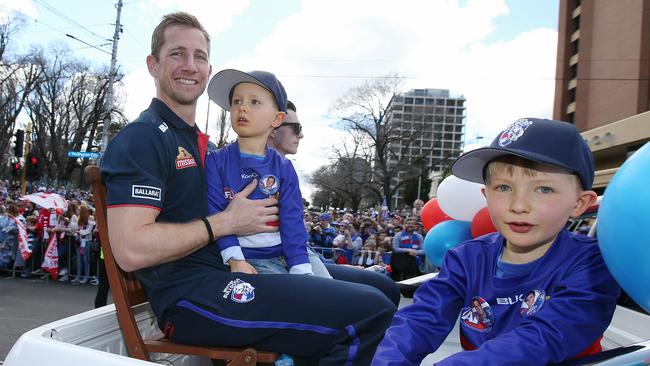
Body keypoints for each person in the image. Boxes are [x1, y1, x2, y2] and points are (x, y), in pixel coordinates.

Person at [100, 12, 395, 365]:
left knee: (385, 290)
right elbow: (131, 250)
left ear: (209, 70)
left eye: (200, 57)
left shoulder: (203, 145)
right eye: (177, 54)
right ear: (153, 64)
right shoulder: (143, 138)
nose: (190, 65)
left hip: (232, 270)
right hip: (191, 297)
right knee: (370, 310)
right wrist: (225, 223)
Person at [373, 118, 620, 365]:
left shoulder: (592, 263)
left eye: (543, 189)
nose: (518, 205)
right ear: (486, 196)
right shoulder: (466, 258)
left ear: (579, 203)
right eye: (503, 188)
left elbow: (546, 337)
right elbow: (421, 318)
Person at [268, 101, 400, 304]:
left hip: (303, 256)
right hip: (280, 260)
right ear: (272, 129)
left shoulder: (286, 170)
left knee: (385, 286)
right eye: (296, 128)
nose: (301, 135)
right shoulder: (247, 172)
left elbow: (298, 242)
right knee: (374, 302)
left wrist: (327, 263)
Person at [205, 69, 329, 278]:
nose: (242, 107)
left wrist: (300, 268)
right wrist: (236, 260)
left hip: (288, 255)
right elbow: (215, 212)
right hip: (247, 260)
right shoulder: (215, 161)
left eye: (254, 102)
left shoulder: (284, 167)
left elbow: (293, 220)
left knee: (331, 298)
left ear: (277, 118)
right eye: (236, 101)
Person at [390, 217, 424, 281]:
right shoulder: (398, 235)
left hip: (413, 262)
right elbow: (395, 248)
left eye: (412, 223)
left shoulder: (419, 236)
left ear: (415, 225)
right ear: (404, 225)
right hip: (399, 262)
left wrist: (415, 252)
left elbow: (423, 250)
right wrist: (407, 250)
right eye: (408, 223)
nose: (410, 225)